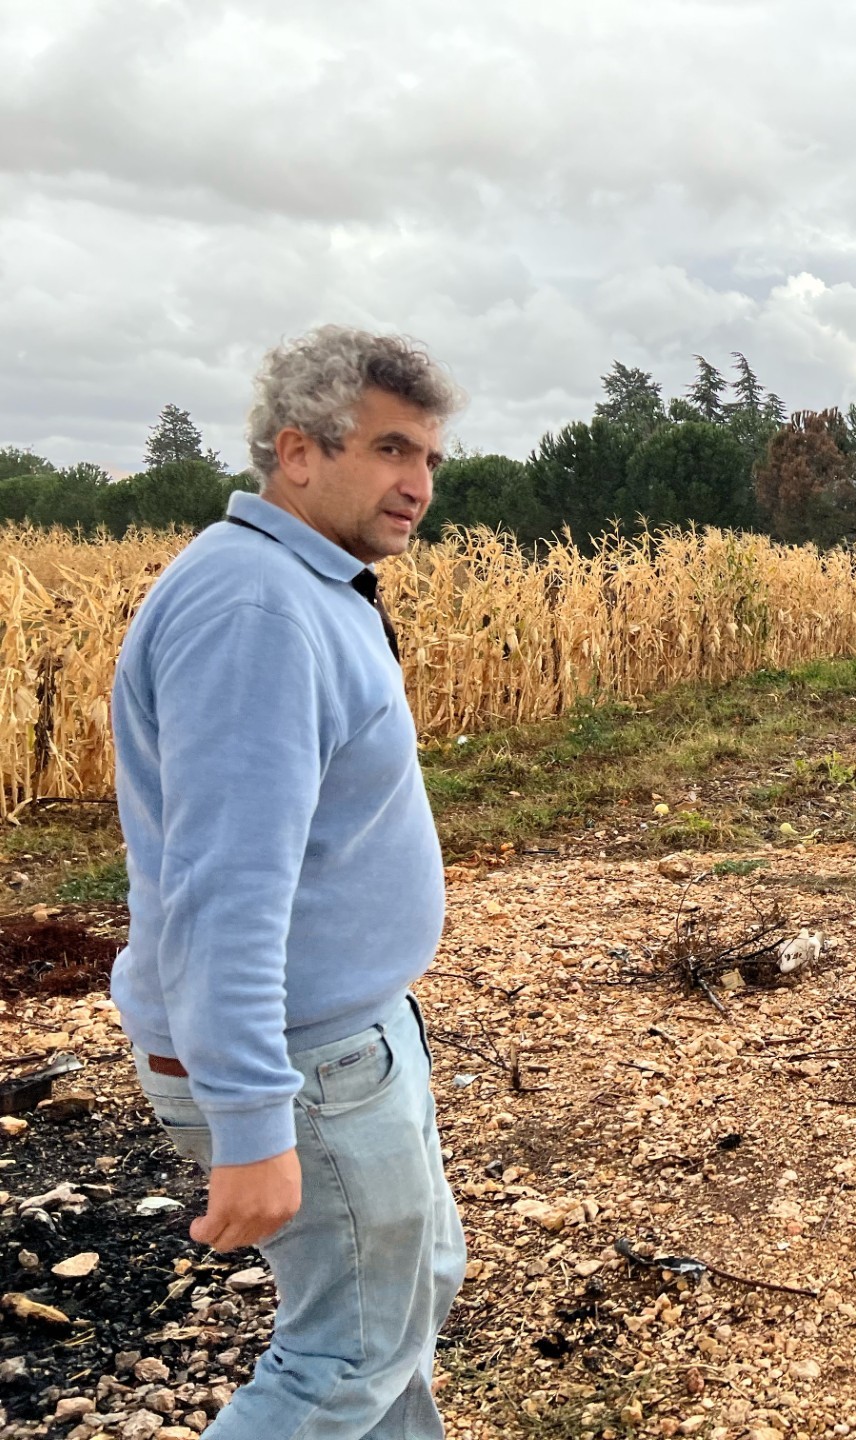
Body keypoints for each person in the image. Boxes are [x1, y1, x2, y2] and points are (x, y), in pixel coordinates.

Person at [111, 326, 467, 1438]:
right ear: (299, 451)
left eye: (431, 461)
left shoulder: (309, 583)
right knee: (344, 1355)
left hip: (349, 1034)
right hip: (305, 1062)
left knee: (409, 1297)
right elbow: (227, 885)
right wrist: (253, 1122)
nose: (416, 486)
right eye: (393, 451)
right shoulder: (255, 610)